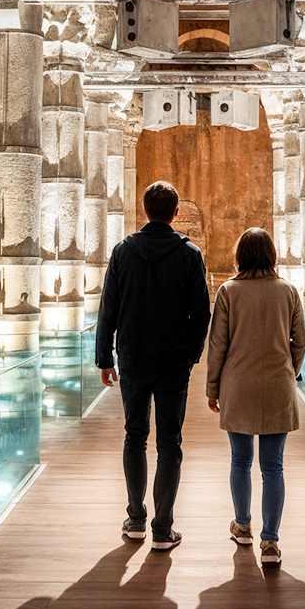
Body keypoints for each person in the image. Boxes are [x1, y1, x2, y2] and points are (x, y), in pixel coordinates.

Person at [97, 180, 211, 551]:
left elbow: (108, 309)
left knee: (134, 435)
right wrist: (192, 354)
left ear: (145, 210)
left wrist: (105, 358)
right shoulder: (190, 254)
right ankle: (163, 528)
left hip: (132, 357)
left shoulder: (123, 252)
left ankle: (135, 519)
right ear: (175, 213)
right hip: (173, 360)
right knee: (169, 442)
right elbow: (201, 314)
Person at [204, 227, 305, 566]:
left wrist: (212, 387)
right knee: (273, 466)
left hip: (238, 385)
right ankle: (271, 542)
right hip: (278, 385)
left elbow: (217, 345)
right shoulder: (289, 292)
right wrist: (289, 369)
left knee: (240, 460)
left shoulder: (229, 292)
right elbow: (301, 341)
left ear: (241, 256)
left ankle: (243, 525)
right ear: (271, 254)